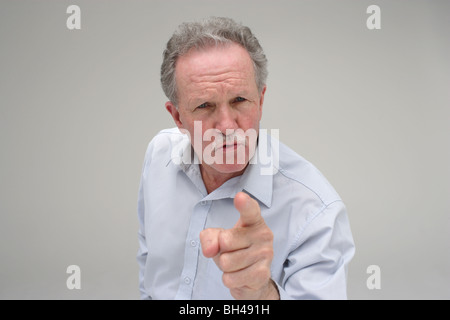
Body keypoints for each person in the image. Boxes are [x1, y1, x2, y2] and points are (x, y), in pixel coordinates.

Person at [137, 17, 355, 300]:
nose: (227, 127)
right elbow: (150, 273)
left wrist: (262, 295)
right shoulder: (159, 156)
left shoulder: (317, 211)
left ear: (261, 101)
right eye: (205, 106)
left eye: (239, 100)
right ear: (177, 116)